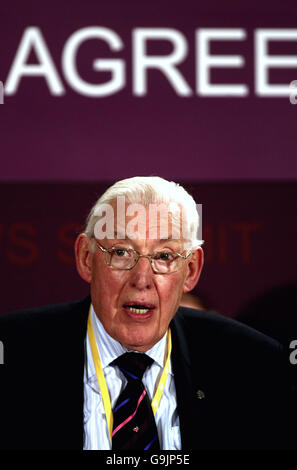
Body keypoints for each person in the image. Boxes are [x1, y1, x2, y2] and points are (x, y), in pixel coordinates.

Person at [0, 176, 295, 450]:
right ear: (86, 259)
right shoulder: (12, 353)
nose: (141, 279)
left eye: (164, 256)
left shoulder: (253, 365)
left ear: (191, 270)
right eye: (120, 252)